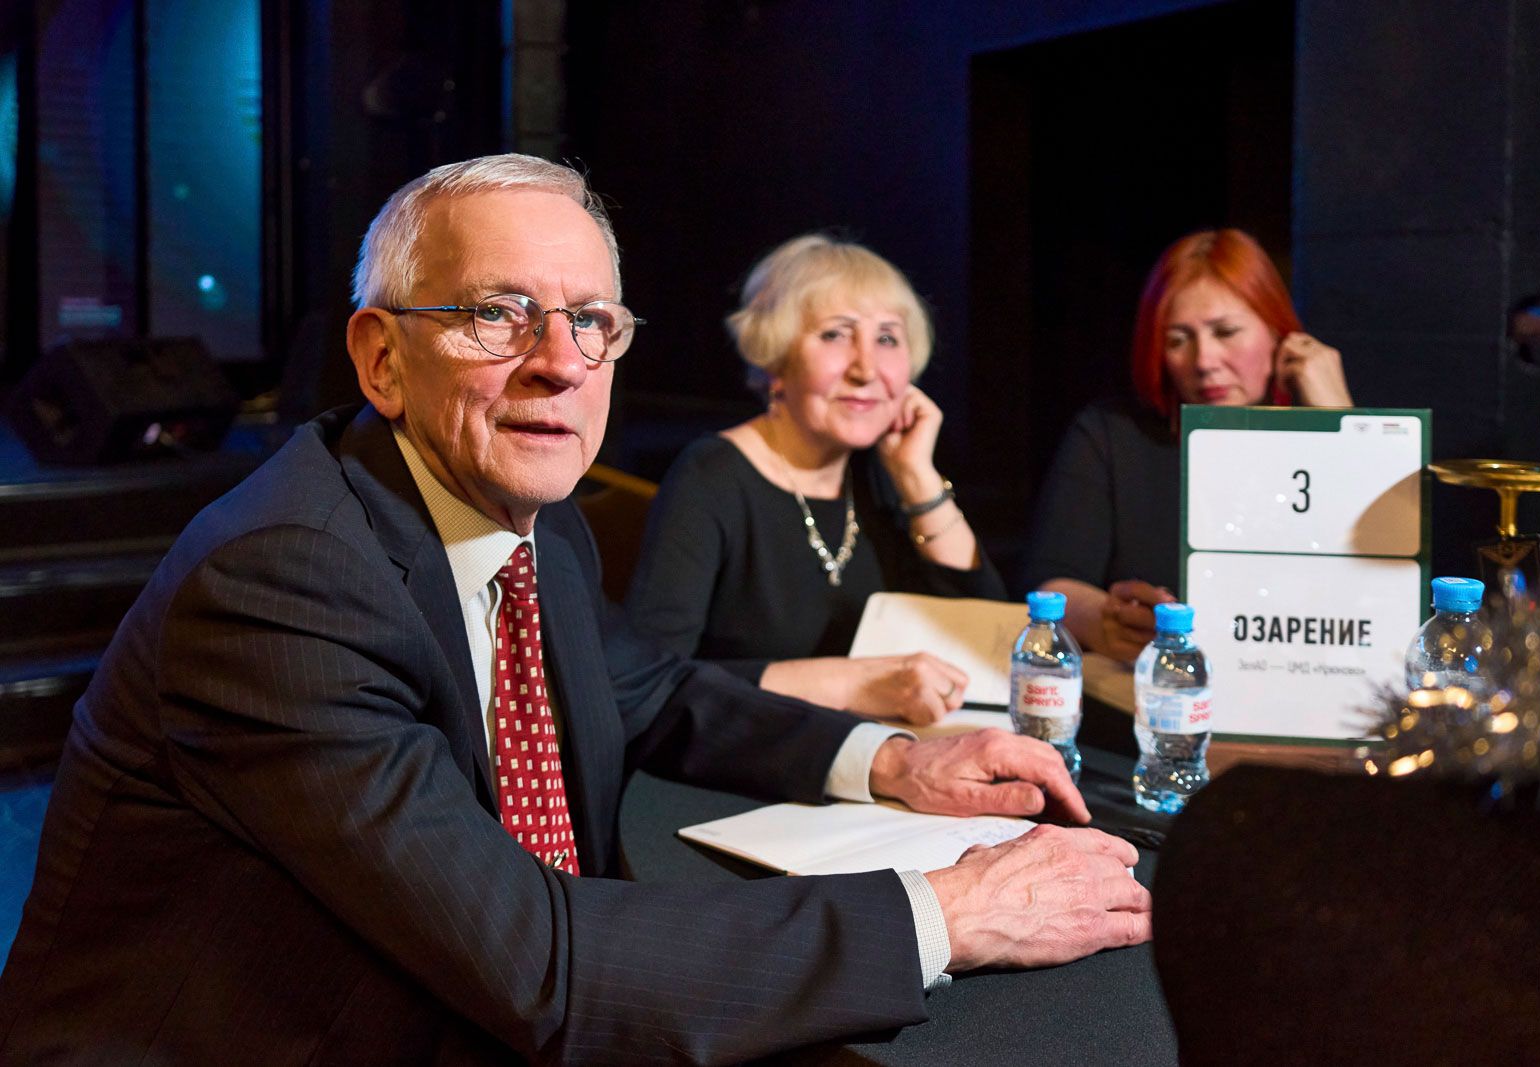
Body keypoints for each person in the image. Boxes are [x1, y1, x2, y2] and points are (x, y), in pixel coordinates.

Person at [0, 156, 1150, 1065]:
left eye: (591, 318)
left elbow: (649, 687)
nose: (561, 361)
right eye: (499, 313)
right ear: (381, 359)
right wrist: (948, 910)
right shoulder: (284, 578)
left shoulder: (525, 522)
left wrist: (894, 759)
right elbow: (535, 964)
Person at [628, 235, 1005, 725]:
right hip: (750, 754)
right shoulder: (711, 477)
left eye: (887, 338)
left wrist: (918, 477)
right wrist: (851, 684)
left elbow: (988, 642)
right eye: (835, 335)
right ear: (776, 359)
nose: (866, 369)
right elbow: (648, 680)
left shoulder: (884, 473)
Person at [1021, 228, 1353, 663]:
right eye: (1178, 340)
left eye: (1226, 332)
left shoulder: (1319, 432)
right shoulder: (1112, 434)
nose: (1204, 361)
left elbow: (1381, 579)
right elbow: (1051, 580)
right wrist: (1105, 618)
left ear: (1278, 331)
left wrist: (1342, 421)